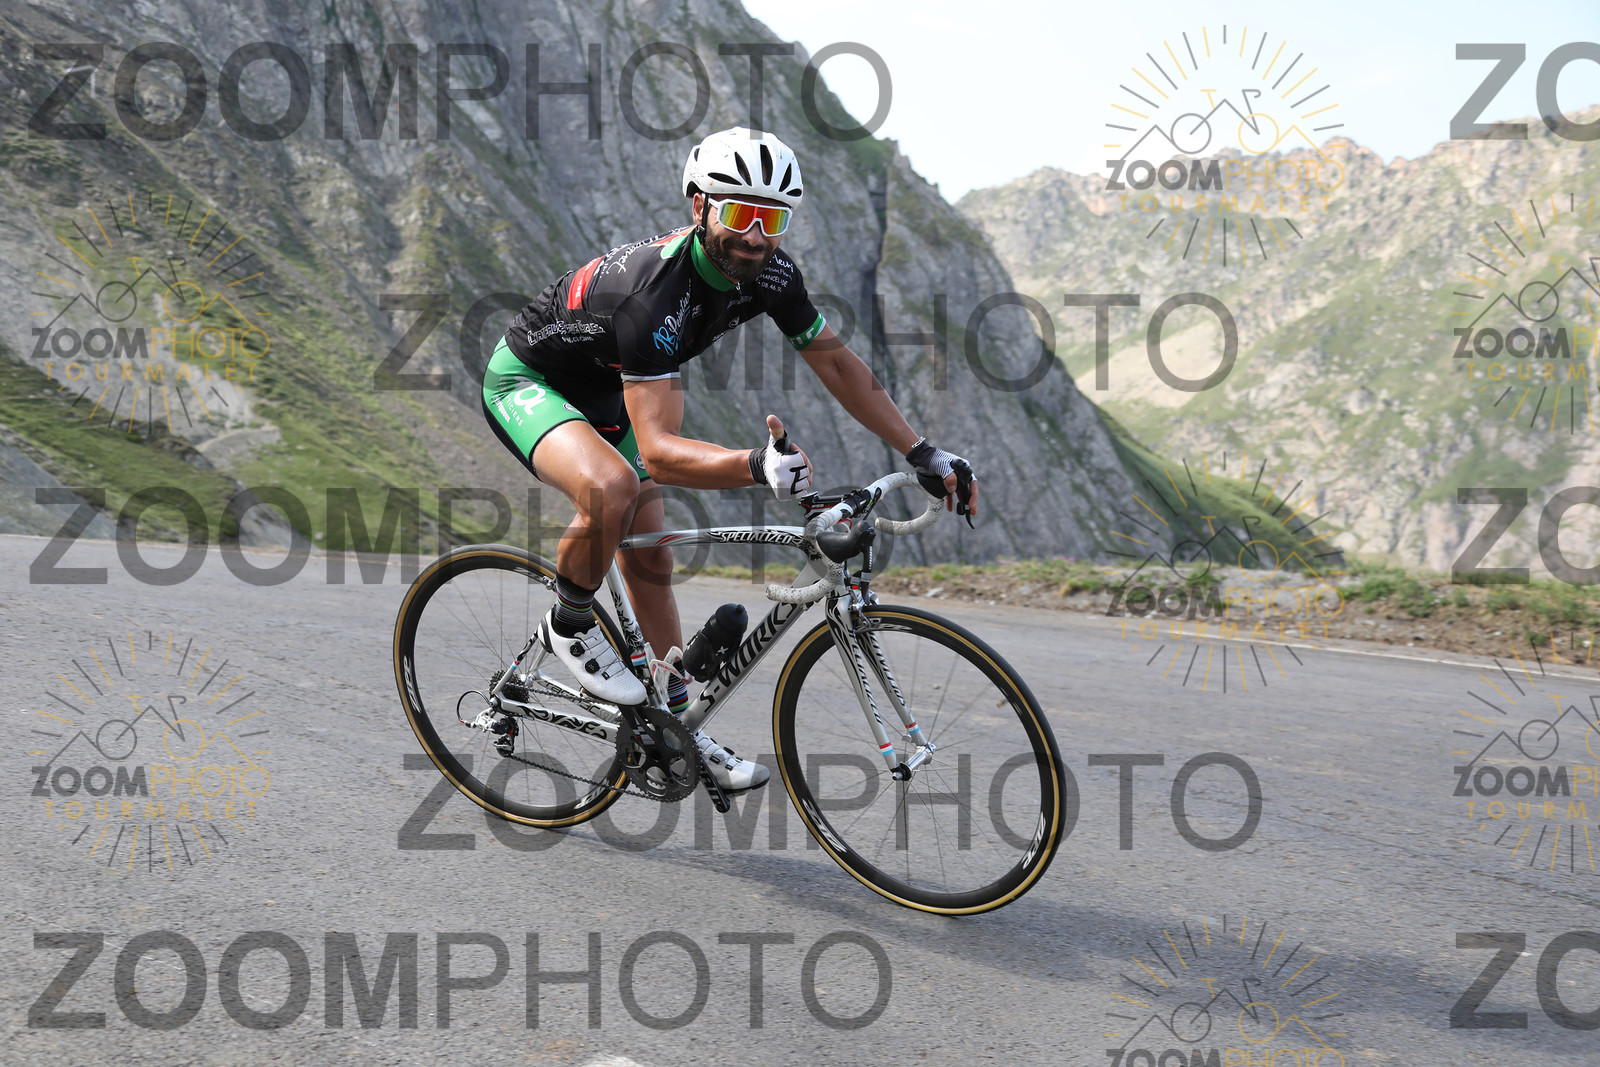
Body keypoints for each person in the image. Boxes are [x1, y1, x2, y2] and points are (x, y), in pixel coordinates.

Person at [482, 126, 977, 793]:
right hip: (532, 381)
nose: (756, 236)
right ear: (699, 206)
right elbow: (659, 450)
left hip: (613, 390)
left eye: (774, 219)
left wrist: (922, 450)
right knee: (614, 485)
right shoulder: (653, 293)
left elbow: (837, 364)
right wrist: (754, 464)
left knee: (651, 558)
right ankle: (569, 620)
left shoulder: (772, 274)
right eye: (741, 214)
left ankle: (673, 725)